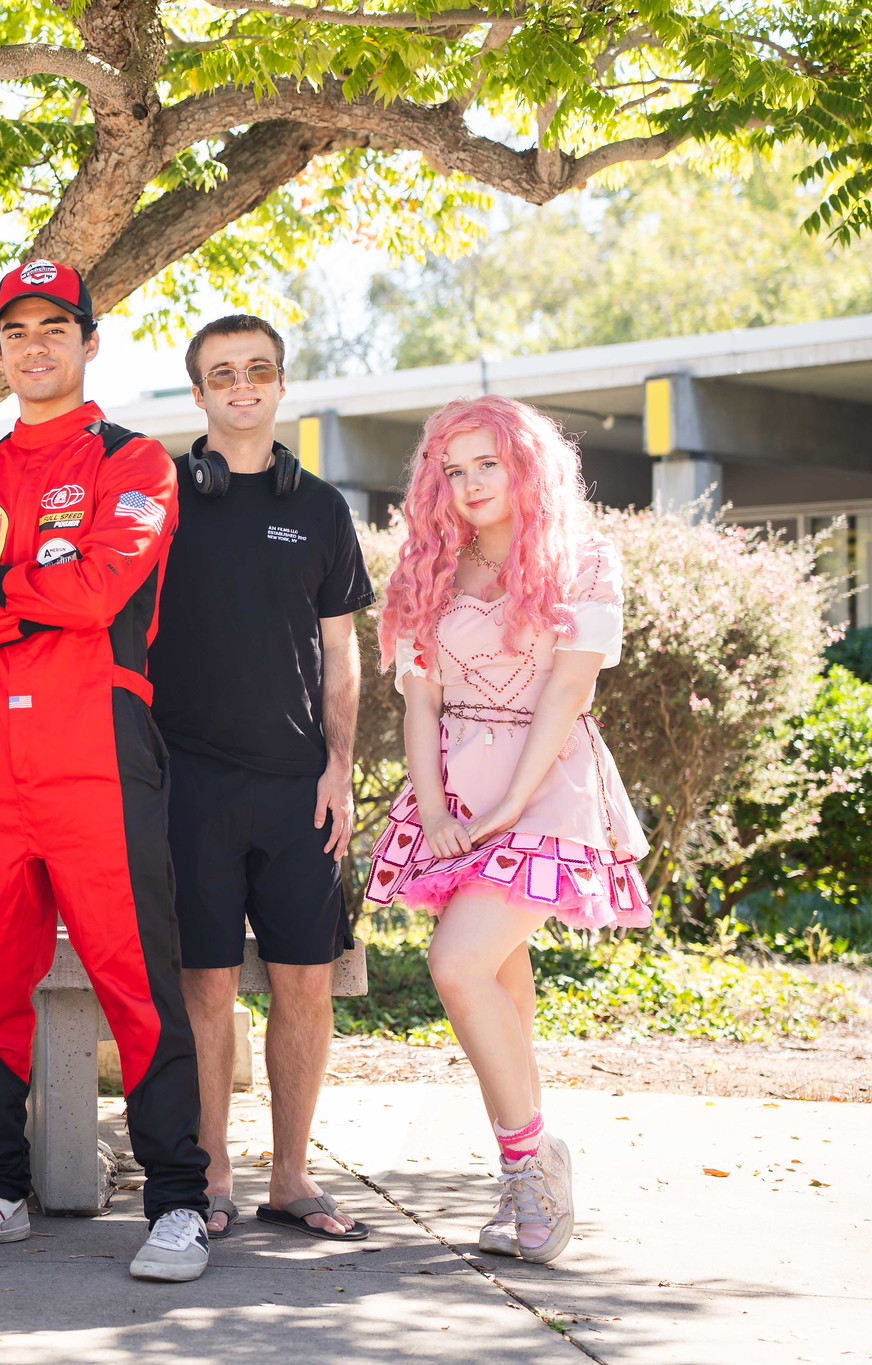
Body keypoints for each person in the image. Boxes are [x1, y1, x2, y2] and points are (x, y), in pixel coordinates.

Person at [0, 260, 212, 1283]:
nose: (34, 346)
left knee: (134, 977)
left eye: (54, 328)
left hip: (98, 752)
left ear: (87, 341)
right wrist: (35, 582)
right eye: (15, 332)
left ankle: (177, 1200)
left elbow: (97, 596)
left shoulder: (136, 463)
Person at [369, 394, 649, 1266]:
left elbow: (567, 698)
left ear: (528, 463)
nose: (470, 484)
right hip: (458, 785)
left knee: (455, 963)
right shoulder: (430, 569)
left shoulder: (582, 561)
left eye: (487, 463)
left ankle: (530, 1167)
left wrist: (503, 809)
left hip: (548, 783)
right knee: (493, 978)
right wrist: (441, 809)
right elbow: (421, 706)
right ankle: (527, 1163)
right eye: (453, 470)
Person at [146, 314, 376, 1242]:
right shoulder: (156, 498)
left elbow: (341, 651)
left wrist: (340, 766)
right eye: (222, 372)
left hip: (296, 788)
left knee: (304, 983)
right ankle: (211, 1176)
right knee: (206, 991)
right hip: (187, 784)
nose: (242, 385)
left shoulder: (320, 505)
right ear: (197, 392)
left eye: (259, 370)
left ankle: (291, 1174)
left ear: (280, 386)